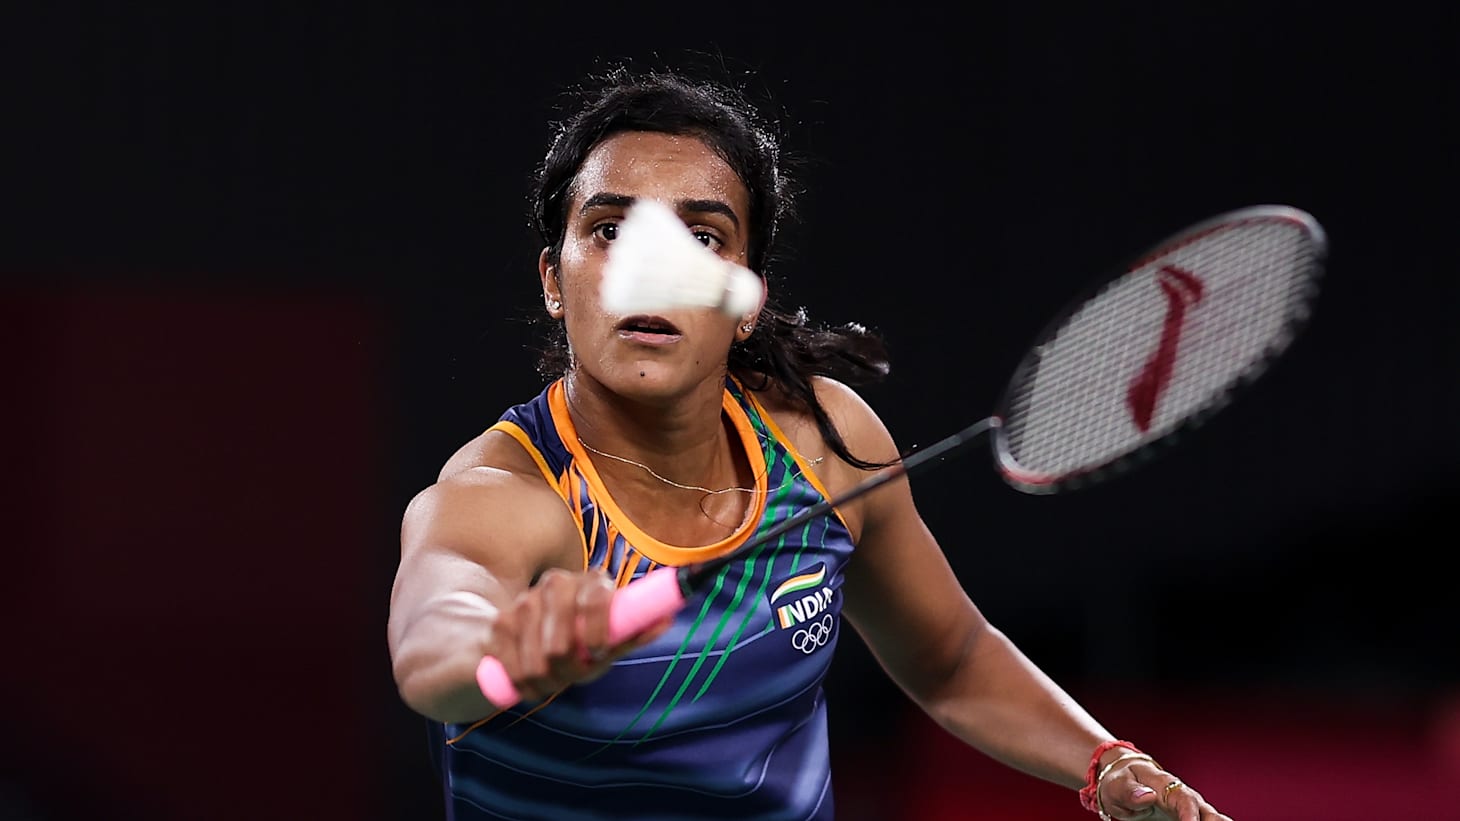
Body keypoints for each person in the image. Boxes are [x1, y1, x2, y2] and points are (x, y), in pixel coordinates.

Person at [387, 62, 1234, 821]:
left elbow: (950, 656)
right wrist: (504, 648)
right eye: (610, 228)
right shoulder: (506, 494)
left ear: (745, 298)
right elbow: (434, 644)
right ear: (553, 279)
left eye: (701, 236)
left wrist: (1105, 761)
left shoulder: (822, 445)